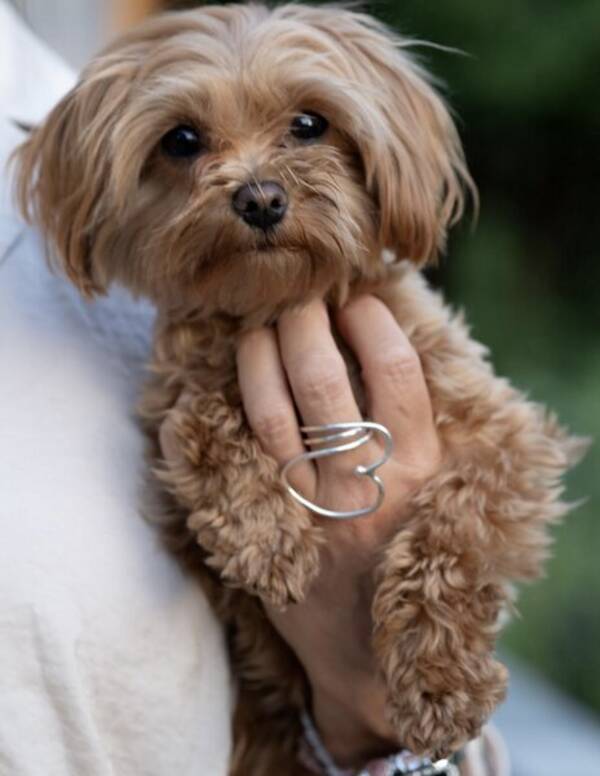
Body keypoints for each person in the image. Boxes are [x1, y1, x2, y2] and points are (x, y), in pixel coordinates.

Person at [0, 3, 507, 774]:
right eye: (185, 145)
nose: (257, 188)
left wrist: (384, 701)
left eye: (307, 129)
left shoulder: (399, 339)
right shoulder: (91, 146)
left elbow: (508, 462)